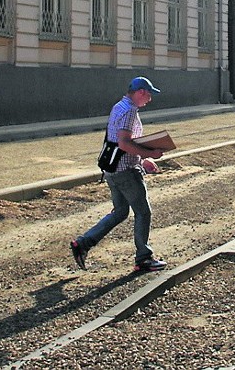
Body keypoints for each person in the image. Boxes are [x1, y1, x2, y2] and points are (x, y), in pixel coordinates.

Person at [70, 76, 167, 273]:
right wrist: (150, 153)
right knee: (143, 212)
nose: (150, 99)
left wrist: (142, 159)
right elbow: (124, 143)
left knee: (121, 212)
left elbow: (118, 142)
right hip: (125, 172)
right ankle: (144, 258)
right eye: (149, 95)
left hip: (112, 169)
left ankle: (83, 244)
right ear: (140, 92)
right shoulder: (130, 111)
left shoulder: (119, 106)